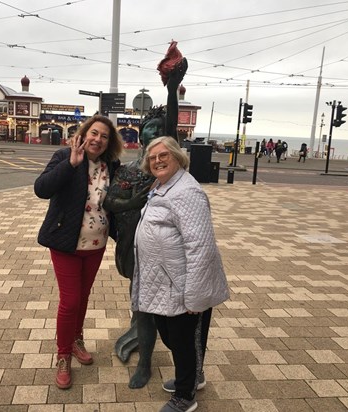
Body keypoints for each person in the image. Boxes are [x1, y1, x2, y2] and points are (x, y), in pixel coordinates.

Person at [103, 50, 187, 389]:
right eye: (149, 129)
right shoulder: (126, 170)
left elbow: (171, 127)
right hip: (129, 248)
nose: (154, 135)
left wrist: (171, 88)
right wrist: (131, 204)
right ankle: (139, 331)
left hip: (157, 252)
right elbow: (108, 200)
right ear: (140, 135)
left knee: (150, 308)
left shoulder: (167, 169)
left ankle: (146, 364)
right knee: (140, 303)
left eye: (160, 131)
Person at [132, 136, 229, 412]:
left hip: (183, 284)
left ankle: (185, 396)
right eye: (152, 158)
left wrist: (195, 298)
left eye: (164, 155)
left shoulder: (186, 191)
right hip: (165, 281)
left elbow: (201, 247)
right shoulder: (163, 186)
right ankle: (193, 376)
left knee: (184, 341)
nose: (158, 161)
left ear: (178, 157)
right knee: (172, 337)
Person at [34, 115, 123, 389]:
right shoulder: (65, 155)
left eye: (104, 136)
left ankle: (76, 340)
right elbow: (42, 189)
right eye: (94, 133)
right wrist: (70, 165)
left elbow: (115, 204)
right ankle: (63, 355)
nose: (97, 139)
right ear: (85, 133)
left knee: (83, 298)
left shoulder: (112, 166)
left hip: (95, 245)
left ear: (110, 142)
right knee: (70, 301)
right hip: (66, 243)